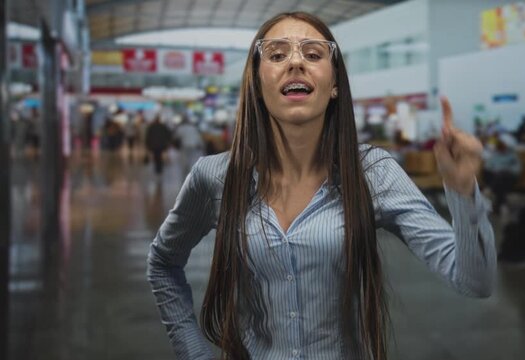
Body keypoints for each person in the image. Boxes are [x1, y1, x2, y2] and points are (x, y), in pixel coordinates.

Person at [147, 12, 496, 360]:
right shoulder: (216, 176)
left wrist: (464, 192)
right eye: (277, 54)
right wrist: (194, 352)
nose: (296, 62)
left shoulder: (372, 172)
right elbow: (163, 262)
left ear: (334, 86)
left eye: (313, 54)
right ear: (256, 81)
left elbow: (474, 280)